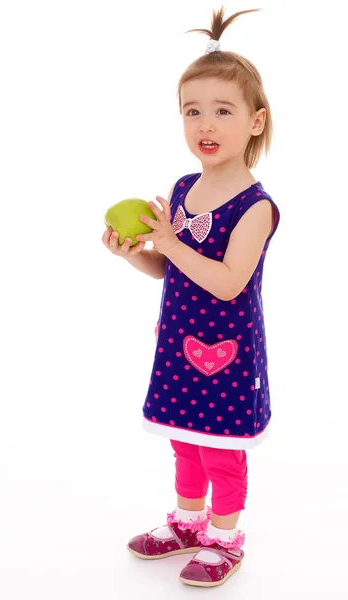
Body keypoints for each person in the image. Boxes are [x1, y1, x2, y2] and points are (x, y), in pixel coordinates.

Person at [102, 5, 280, 588]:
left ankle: (225, 538)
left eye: (223, 111)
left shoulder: (255, 206)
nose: (205, 123)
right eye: (192, 110)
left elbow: (228, 282)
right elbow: (169, 271)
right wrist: (137, 252)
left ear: (256, 122)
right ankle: (186, 522)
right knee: (184, 441)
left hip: (228, 353)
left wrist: (172, 244)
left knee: (221, 449)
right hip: (180, 346)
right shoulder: (183, 189)